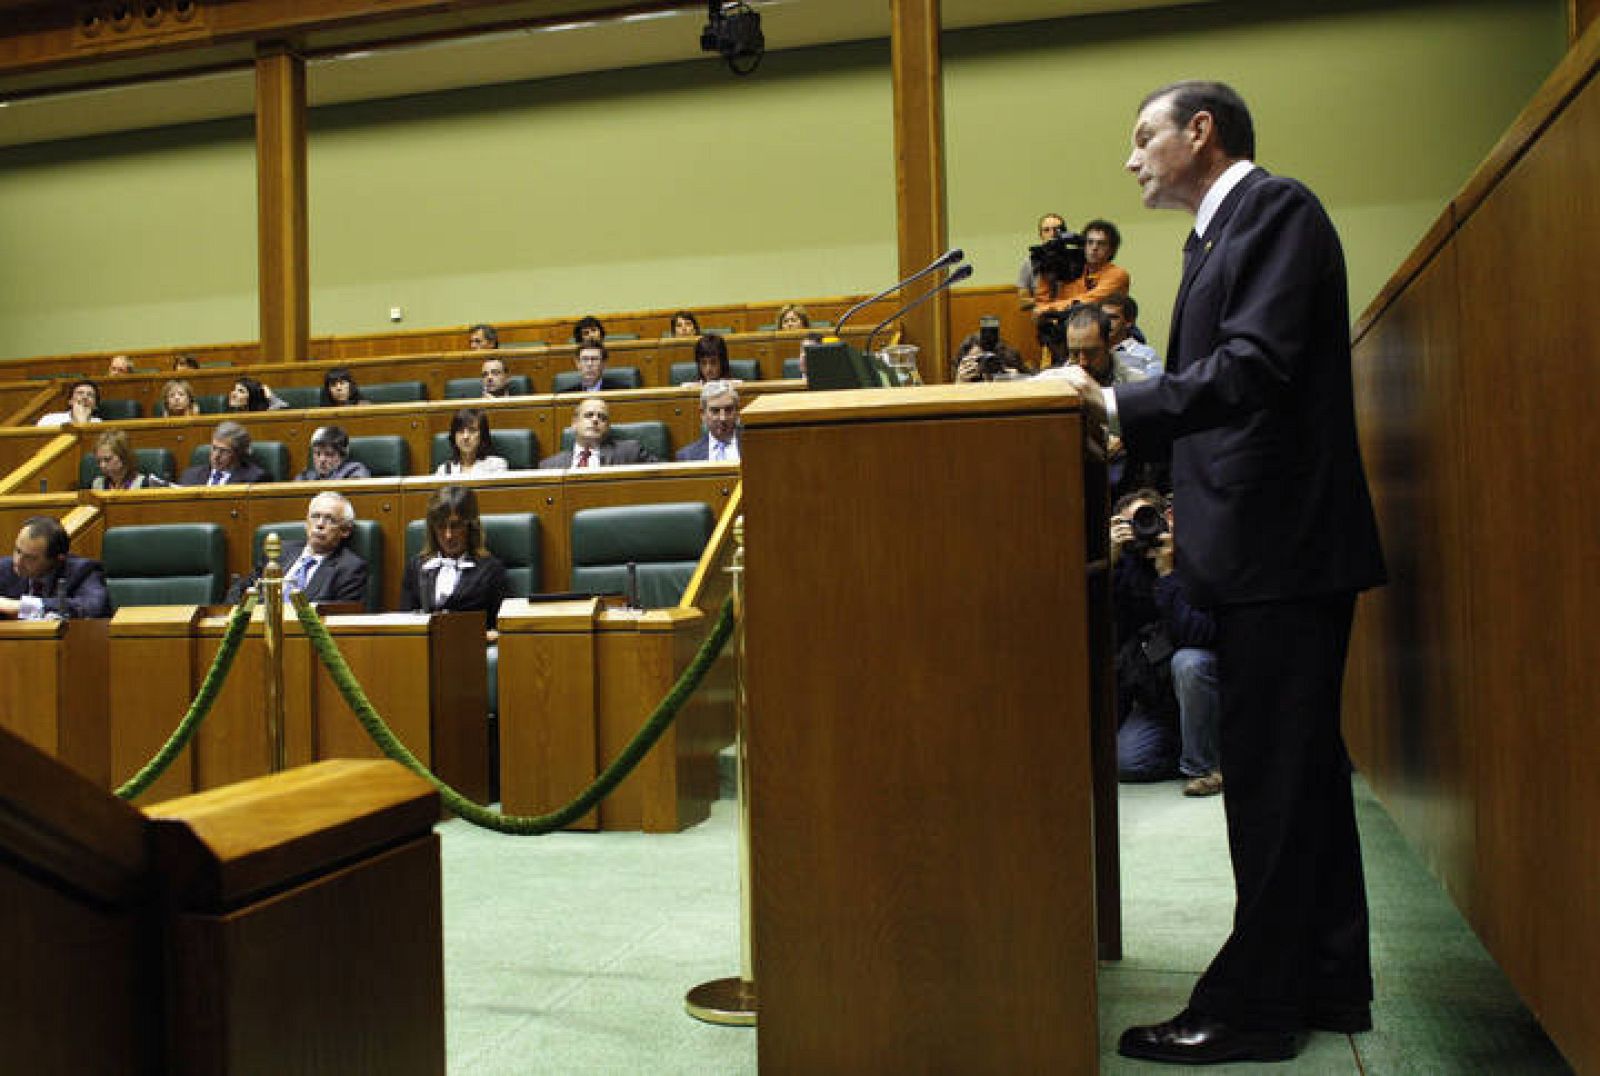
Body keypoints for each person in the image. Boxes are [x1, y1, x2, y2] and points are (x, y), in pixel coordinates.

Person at [1062, 80, 1386, 1066]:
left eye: (1142, 137)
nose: (1130, 160)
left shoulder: (1272, 209)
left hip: (1280, 548)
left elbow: (1256, 368)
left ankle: (1252, 1005)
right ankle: (1325, 976)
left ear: (1200, 133)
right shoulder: (1212, 236)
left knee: (1271, 782)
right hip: (1259, 549)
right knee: (1303, 777)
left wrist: (1118, 402)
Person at [1110, 490, 1220, 795]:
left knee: (1189, 661)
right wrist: (1111, 562)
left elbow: (1198, 634)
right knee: (1127, 763)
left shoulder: (1197, 559)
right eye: (1132, 524)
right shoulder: (1127, 569)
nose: (1143, 529)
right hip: (1157, 696)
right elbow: (1108, 631)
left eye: (1147, 518)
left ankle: (1203, 767)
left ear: (1167, 519)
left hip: (1205, 684)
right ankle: (1202, 747)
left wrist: (1169, 573)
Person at [399, 484, 508, 630]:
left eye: (456, 526)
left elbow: (500, 628)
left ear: (470, 526)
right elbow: (405, 624)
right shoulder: (416, 567)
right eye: (441, 526)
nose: (448, 536)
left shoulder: (491, 570)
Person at [0, 516, 113, 620]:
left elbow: (93, 607)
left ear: (58, 558)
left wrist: (22, 606)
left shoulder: (83, 571)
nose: (18, 562)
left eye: (30, 558)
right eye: (18, 551)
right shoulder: (4, 568)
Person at [267, 492, 369, 605]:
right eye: (315, 516)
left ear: (345, 531)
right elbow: (251, 591)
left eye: (330, 519)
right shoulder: (278, 552)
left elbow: (342, 615)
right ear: (306, 523)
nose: (320, 524)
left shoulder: (349, 569)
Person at [1033, 218, 1132, 319]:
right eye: (1090, 242)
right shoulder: (1075, 271)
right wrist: (1046, 269)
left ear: (1111, 250)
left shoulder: (1118, 274)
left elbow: (1088, 302)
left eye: (1101, 243)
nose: (1094, 248)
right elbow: (1042, 303)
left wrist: (1046, 309)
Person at [539, 396, 659, 469]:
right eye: (589, 415)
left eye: (602, 417)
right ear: (574, 423)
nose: (595, 420)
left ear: (607, 427)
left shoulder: (631, 453)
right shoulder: (549, 466)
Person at [179, 420, 268, 485]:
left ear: (238, 453)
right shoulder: (190, 475)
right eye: (214, 448)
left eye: (224, 451)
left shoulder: (254, 479)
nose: (216, 456)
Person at [1102, 292, 1163, 381]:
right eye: (1103, 317)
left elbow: (1155, 389)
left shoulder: (1147, 354)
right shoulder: (1092, 351)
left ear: (1129, 322)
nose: (1106, 322)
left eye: (1113, 317)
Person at [676, 381, 740, 462]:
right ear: (703, 414)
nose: (723, 418)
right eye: (715, 411)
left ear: (737, 411)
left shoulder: (754, 447)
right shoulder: (687, 456)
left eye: (728, 410)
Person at [1017, 212, 1068, 311]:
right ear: (1041, 235)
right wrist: (1044, 300)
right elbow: (1023, 302)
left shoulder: (1075, 259)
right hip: (1045, 319)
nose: (1052, 234)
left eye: (1057, 229)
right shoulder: (1030, 263)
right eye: (1046, 230)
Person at [437, 408, 508, 476]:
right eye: (460, 431)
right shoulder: (444, 470)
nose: (465, 437)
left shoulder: (496, 466)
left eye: (472, 431)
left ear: (482, 435)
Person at [951, 323, 1030, 382]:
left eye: (991, 361)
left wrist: (1018, 383)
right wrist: (959, 386)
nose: (985, 367)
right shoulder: (964, 377)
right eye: (979, 360)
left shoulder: (1011, 374)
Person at [293, 425, 371, 482]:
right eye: (317, 454)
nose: (322, 459)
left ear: (342, 455)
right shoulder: (304, 477)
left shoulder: (355, 471)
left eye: (329, 454)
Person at [90, 430, 161, 490]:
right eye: (99, 461)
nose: (102, 465)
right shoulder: (98, 484)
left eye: (107, 459)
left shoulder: (144, 484)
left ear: (123, 456)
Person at [36, 379, 101, 427]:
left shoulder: (99, 423)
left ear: (95, 405)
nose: (85, 397)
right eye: (80, 393)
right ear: (70, 401)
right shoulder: (49, 419)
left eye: (90, 395)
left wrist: (82, 420)